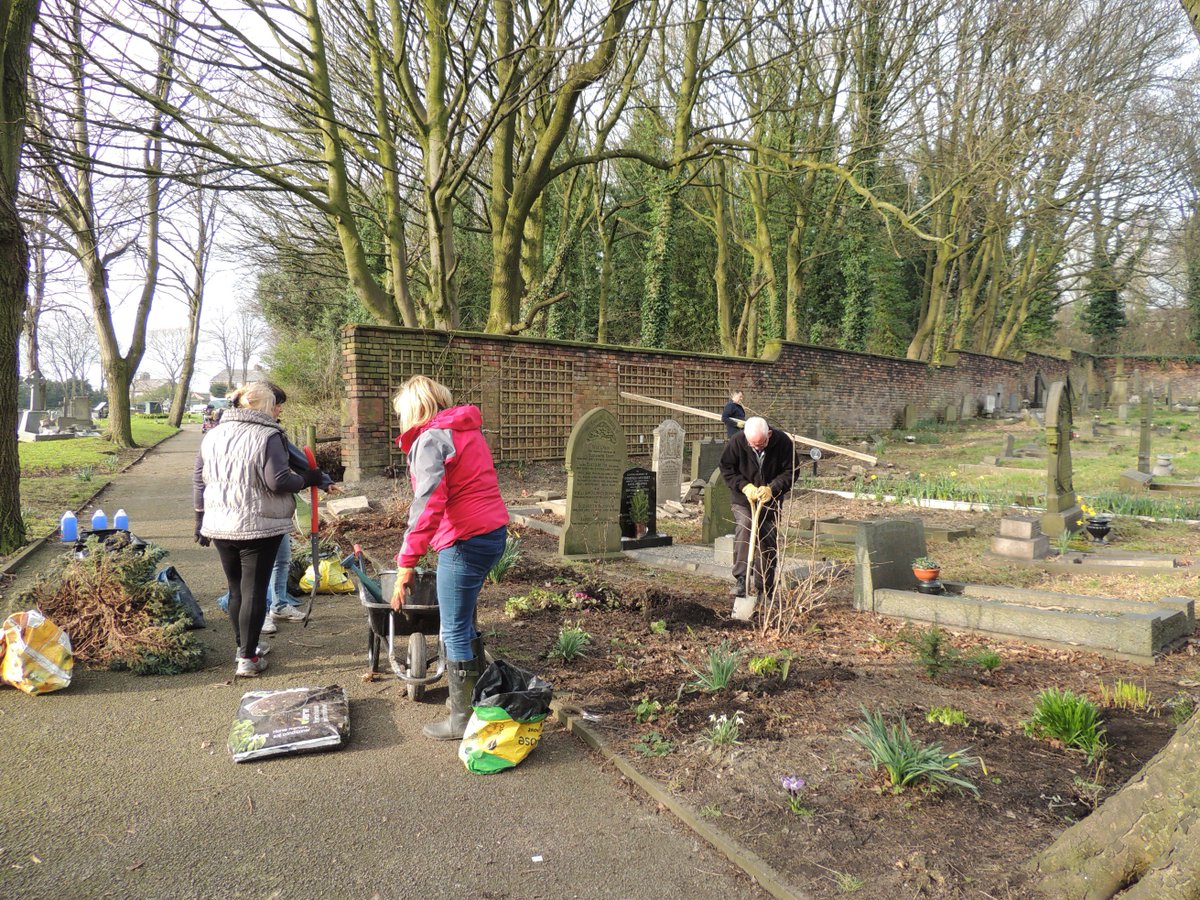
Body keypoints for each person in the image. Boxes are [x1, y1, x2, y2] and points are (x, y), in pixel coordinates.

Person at [389, 375, 509, 741]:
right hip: (492, 533)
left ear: (415, 409)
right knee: (464, 621)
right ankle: (475, 700)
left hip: (464, 540)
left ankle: (462, 719)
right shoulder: (465, 431)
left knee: (454, 627)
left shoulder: (431, 440)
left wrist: (406, 562)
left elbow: (427, 505)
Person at [194, 381, 330, 677]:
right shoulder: (268, 435)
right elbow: (279, 481)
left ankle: (246, 647)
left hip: (219, 526)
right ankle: (248, 659)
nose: (277, 411)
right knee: (253, 591)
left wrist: (199, 519)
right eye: (274, 405)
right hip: (257, 525)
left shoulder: (213, 434)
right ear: (265, 406)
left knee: (236, 589)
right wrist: (310, 478)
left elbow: (199, 479)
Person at [719, 416, 797, 600]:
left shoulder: (783, 443)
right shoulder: (737, 441)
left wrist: (773, 488)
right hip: (743, 499)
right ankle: (741, 579)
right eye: (752, 445)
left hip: (771, 500)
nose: (757, 448)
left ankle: (765, 589)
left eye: (761, 444)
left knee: (767, 539)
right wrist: (744, 486)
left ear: (769, 434)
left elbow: (791, 471)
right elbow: (726, 468)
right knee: (746, 526)